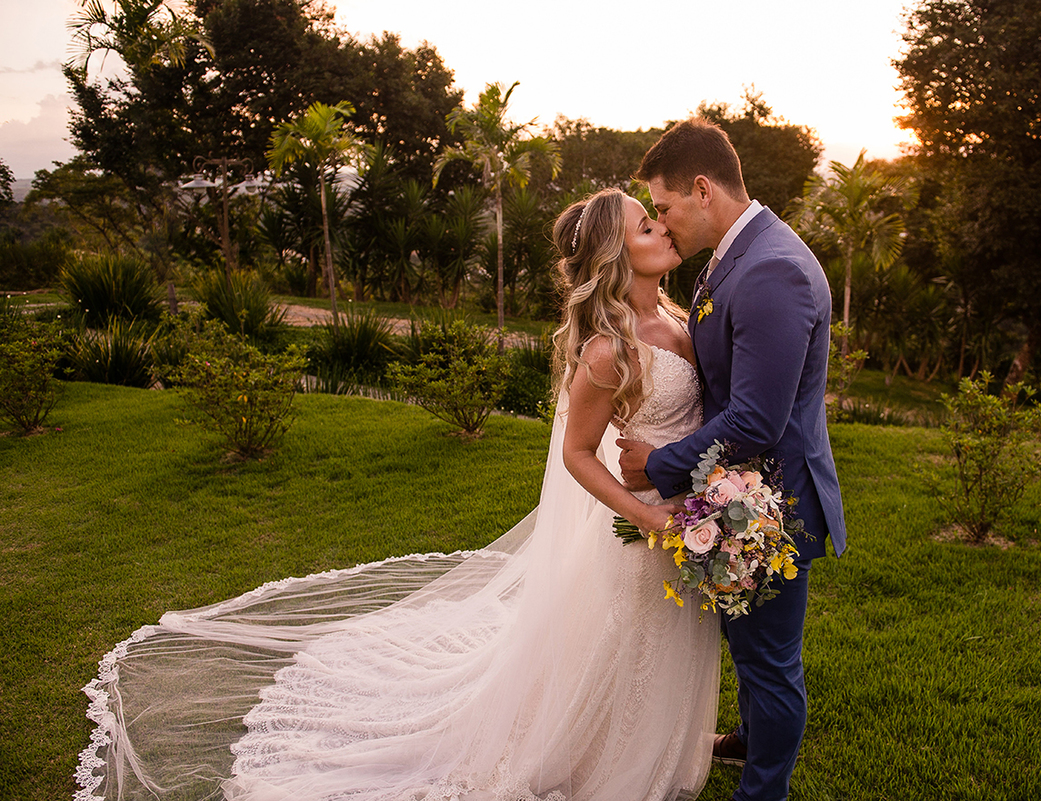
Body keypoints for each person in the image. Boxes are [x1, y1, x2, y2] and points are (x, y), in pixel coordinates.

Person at [75, 188, 721, 801]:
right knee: (631, 646)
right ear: (615, 254)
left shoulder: (678, 315)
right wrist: (643, 513)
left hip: (688, 505)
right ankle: (617, 755)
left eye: (656, 220)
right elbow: (578, 453)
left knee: (666, 640)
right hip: (645, 524)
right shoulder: (608, 351)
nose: (663, 227)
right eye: (646, 225)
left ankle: (671, 741)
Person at [617, 118, 847, 801]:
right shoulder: (736, 255)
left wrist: (658, 464)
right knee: (747, 640)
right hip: (740, 492)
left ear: (700, 188)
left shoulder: (773, 269)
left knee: (772, 660)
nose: (662, 223)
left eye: (663, 208)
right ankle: (748, 738)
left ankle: (762, 788)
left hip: (776, 502)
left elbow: (754, 420)